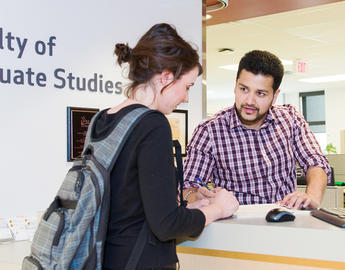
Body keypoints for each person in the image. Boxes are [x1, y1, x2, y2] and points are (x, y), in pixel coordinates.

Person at [96, 23, 239, 270]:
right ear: (165, 77)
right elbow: (166, 225)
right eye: (187, 87)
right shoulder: (152, 124)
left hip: (107, 259)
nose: (185, 97)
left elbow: (131, 209)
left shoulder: (103, 119)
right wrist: (218, 209)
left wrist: (191, 209)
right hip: (141, 262)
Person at [183, 50, 331, 210]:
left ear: (274, 96)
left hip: (286, 223)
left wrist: (311, 196)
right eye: (244, 89)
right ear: (235, 86)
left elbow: (315, 162)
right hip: (236, 225)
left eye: (260, 93)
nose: (249, 101)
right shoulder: (209, 131)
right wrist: (196, 195)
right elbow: (188, 186)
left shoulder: (290, 119)